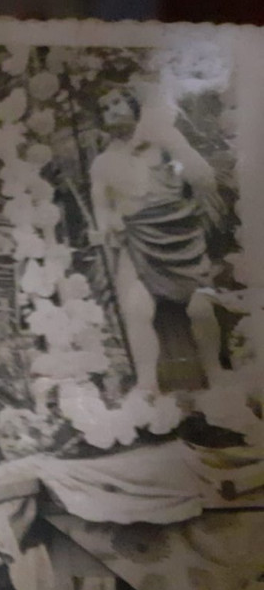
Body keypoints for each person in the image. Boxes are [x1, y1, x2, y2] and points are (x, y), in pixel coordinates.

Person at [90, 85, 220, 394]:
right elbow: (102, 211)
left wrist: (171, 143)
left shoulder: (163, 141)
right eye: (105, 107)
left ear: (135, 105)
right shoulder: (102, 164)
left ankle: (216, 373)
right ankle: (147, 384)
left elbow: (203, 176)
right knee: (137, 309)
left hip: (179, 232)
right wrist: (109, 225)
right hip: (136, 240)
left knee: (200, 308)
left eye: (118, 101)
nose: (112, 110)